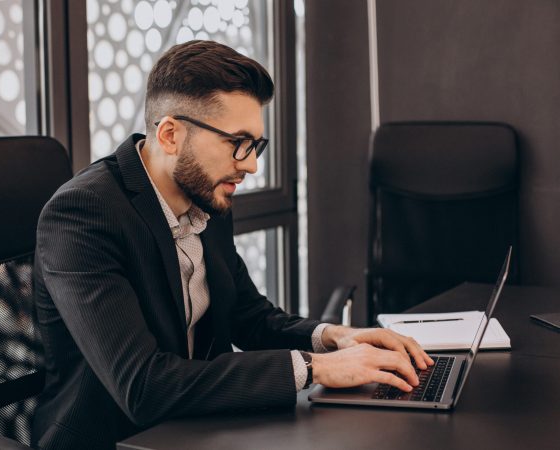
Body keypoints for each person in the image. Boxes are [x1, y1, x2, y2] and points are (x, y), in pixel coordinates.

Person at [32, 40, 433, 450]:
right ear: (170, 135)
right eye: (237, 142)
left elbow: (247, 314)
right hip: (117, 439)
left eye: (256, 145)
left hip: (199, 426)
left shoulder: (207, 195)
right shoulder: (84, 214)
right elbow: (144, 386)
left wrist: (333, 338)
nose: (251, 164)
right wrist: (317, 369)